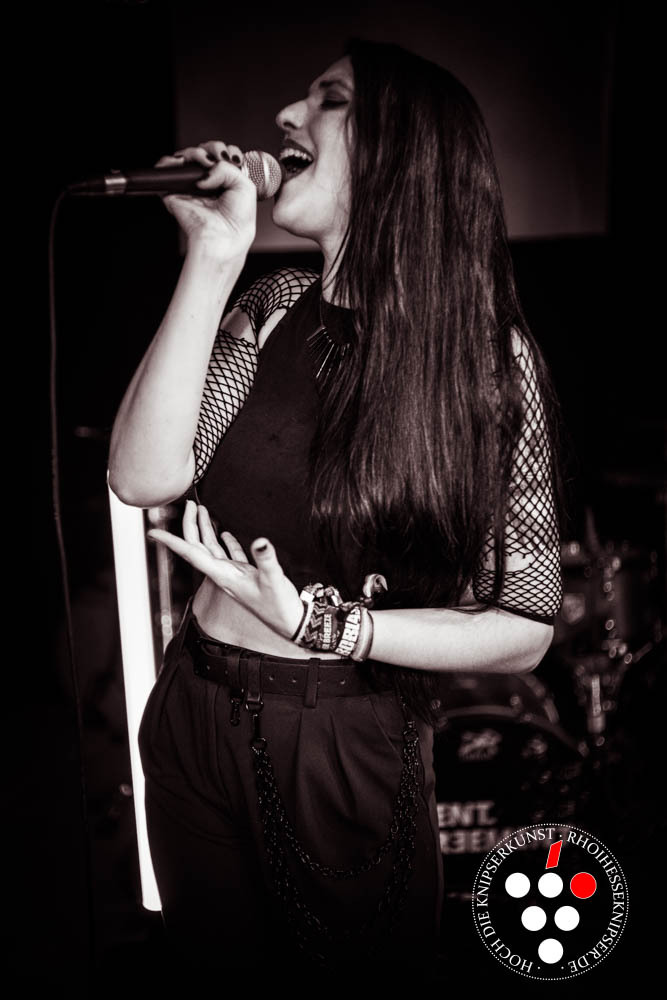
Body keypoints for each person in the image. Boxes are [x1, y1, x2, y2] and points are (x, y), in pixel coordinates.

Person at [109, 39, 563, 988]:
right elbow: (143, 475)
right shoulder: (273, 304)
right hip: (194, 704)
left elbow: (522, 627)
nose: (286, 115)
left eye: (330, 99)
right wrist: (213, 258)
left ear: (403, 149)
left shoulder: (482, 361)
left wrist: (326, 624)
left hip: (340, 736)